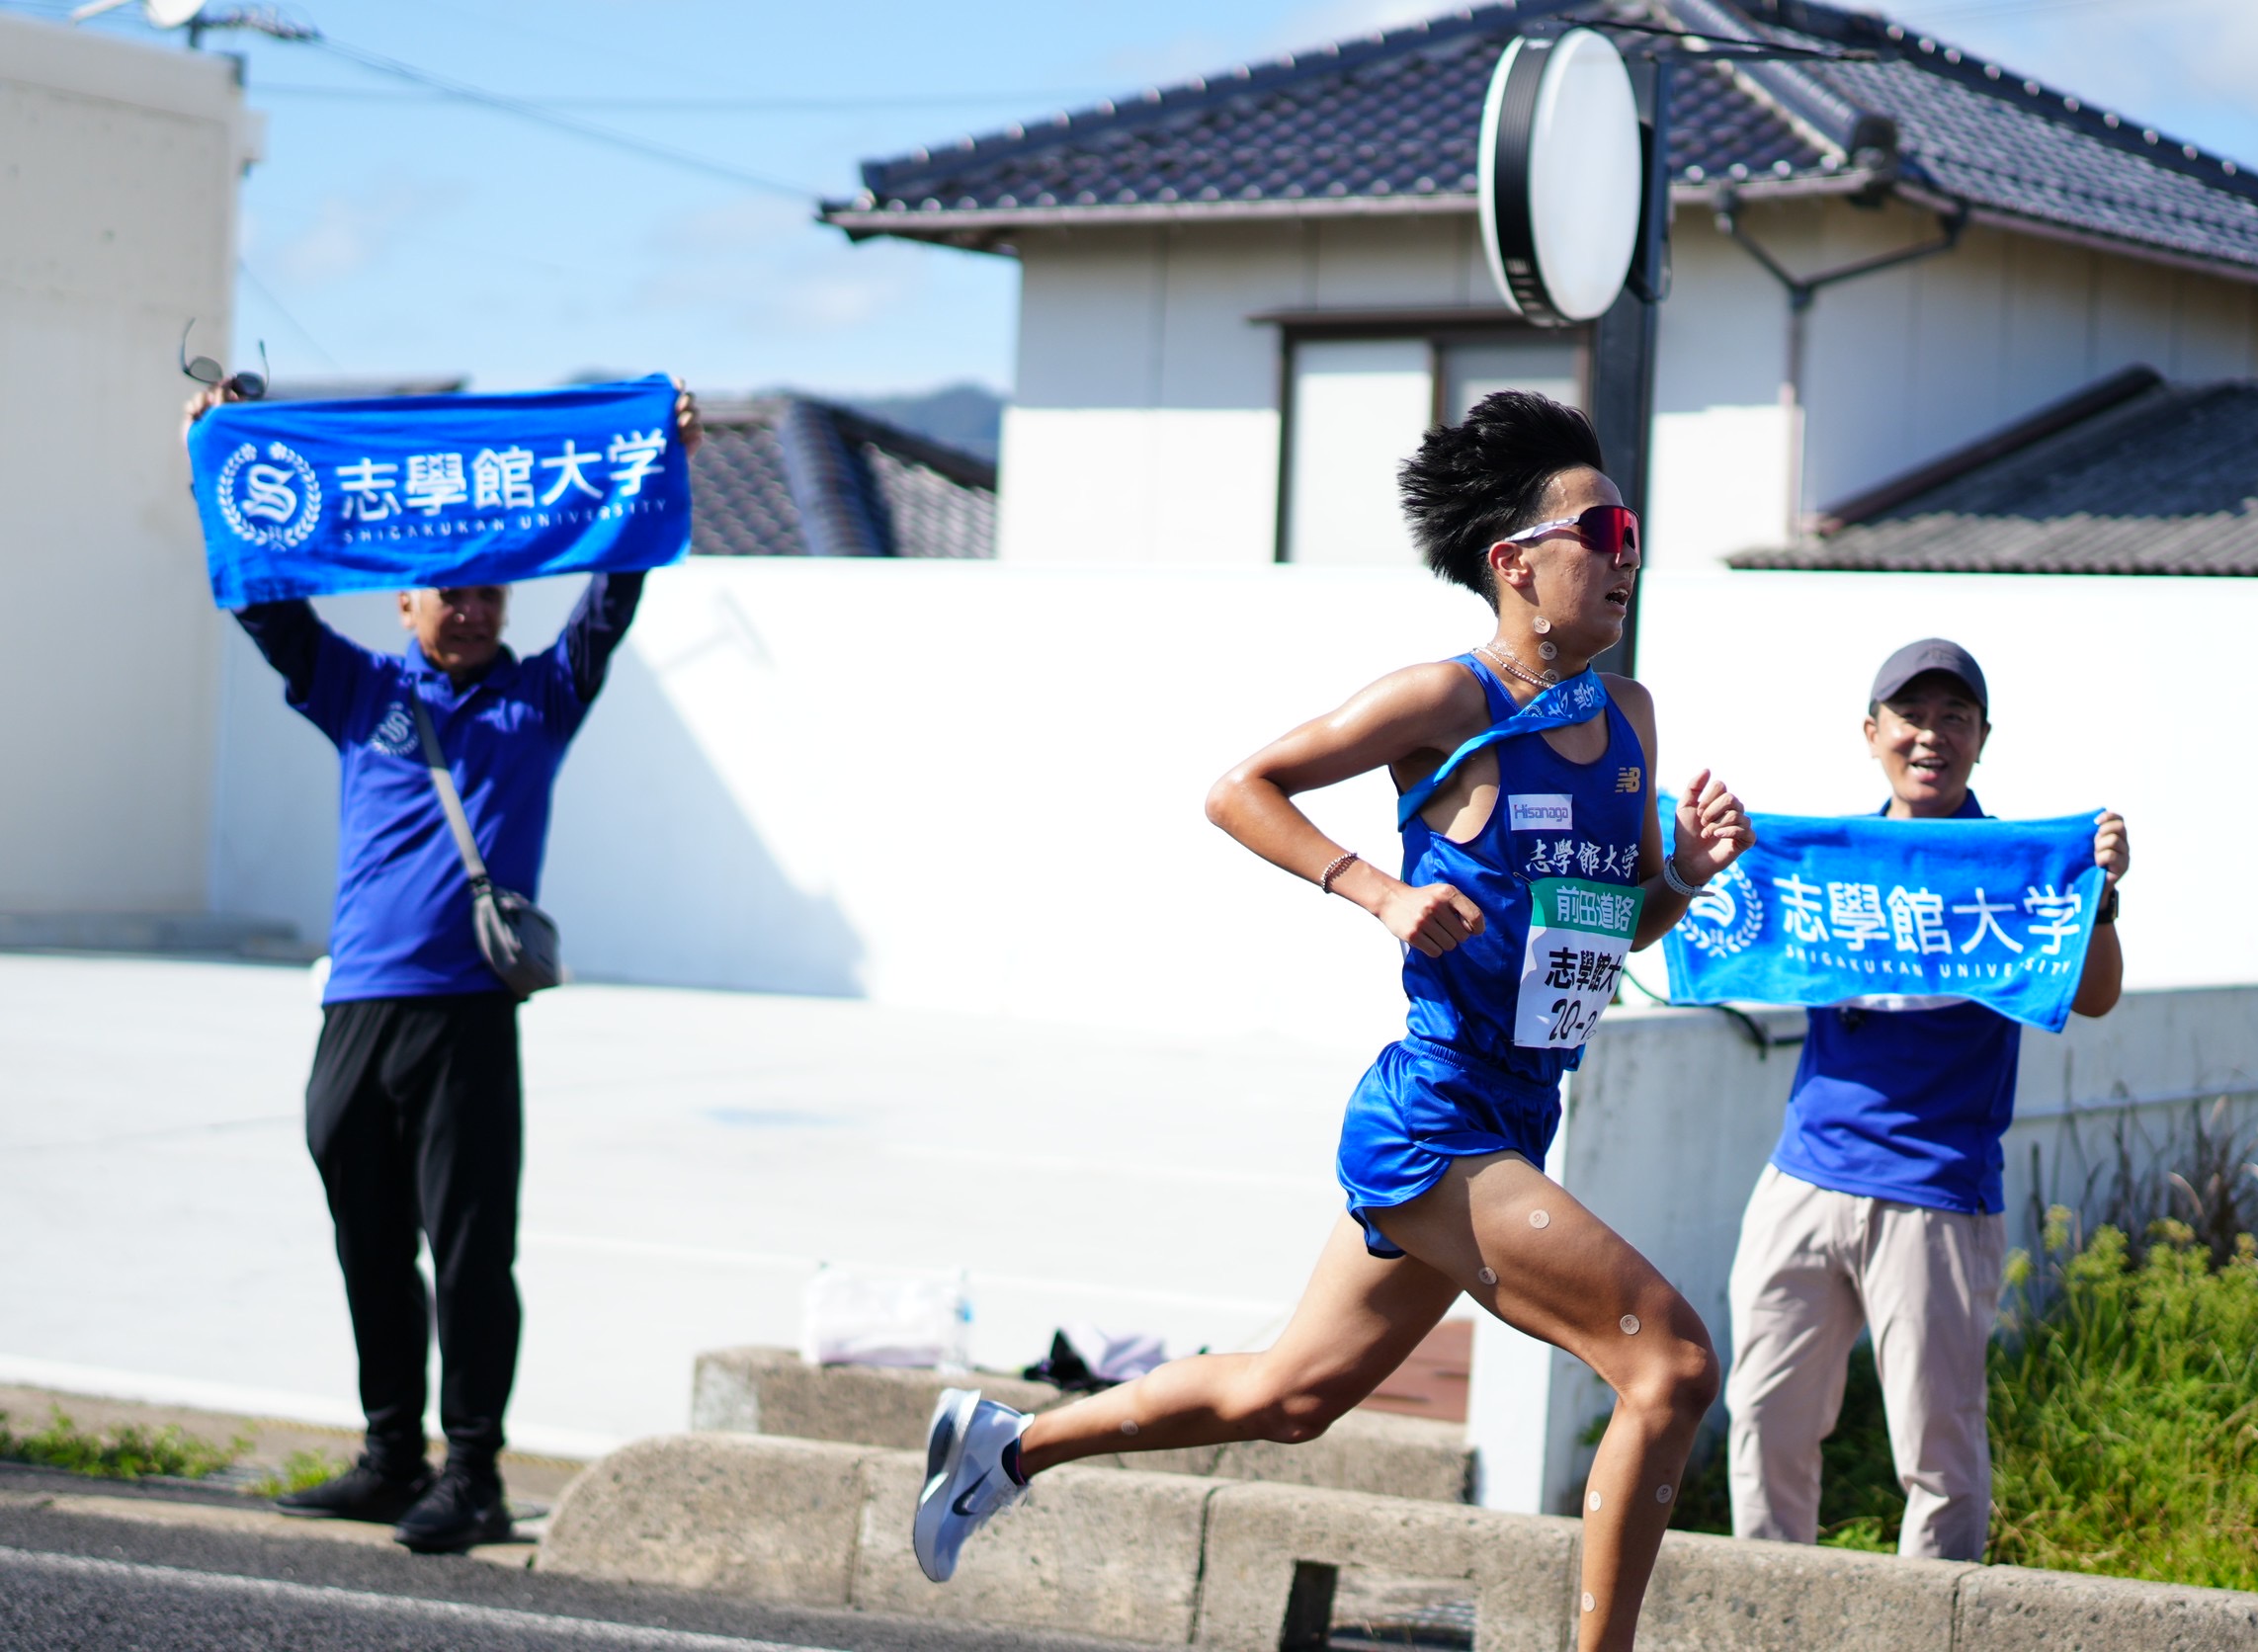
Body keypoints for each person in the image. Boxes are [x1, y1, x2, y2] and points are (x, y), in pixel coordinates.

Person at [909, 391, 1751, 1650]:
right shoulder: (1441, 702)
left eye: (1631, 530)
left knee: (1289, 1396)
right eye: (1604, 528)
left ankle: (1009, 1446)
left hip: (1518, 1118)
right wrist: (1379, 891)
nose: (1627, 553)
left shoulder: (1627, 719)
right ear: (1516, 562)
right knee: (1671, 1365)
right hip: (1435, 1118)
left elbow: (1613, 931)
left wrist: (1681, 876)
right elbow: (1238, 788)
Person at [181, 378, 703, 1553]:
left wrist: (659, 459)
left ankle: (471, 1470)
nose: (469, 609)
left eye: (487, 590)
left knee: (470, 1248)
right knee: (366, 1233)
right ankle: (388, 1452)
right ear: (404, 600)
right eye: (448, 592)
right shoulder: (359, 689)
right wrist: (212, 453)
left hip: (467, 1016)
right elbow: (267, 606)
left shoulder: (542, 695)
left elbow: (612, 599)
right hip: (355, 1006)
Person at [1722, 638, 2130, 1561]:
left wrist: (2099, 899)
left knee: (1938, 1455)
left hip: (1938, 1193)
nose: (1931, 736)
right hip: (1804, 1174)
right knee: (1762, 1420)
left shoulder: (2018, 868)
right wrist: (1701, 858)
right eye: (1911, 716)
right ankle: (1767, 1619)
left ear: (1984, 739)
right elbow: (1721, 923)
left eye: (1955, 718)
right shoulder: (1825, 862)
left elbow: (2094, 995)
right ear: (1872, 734)